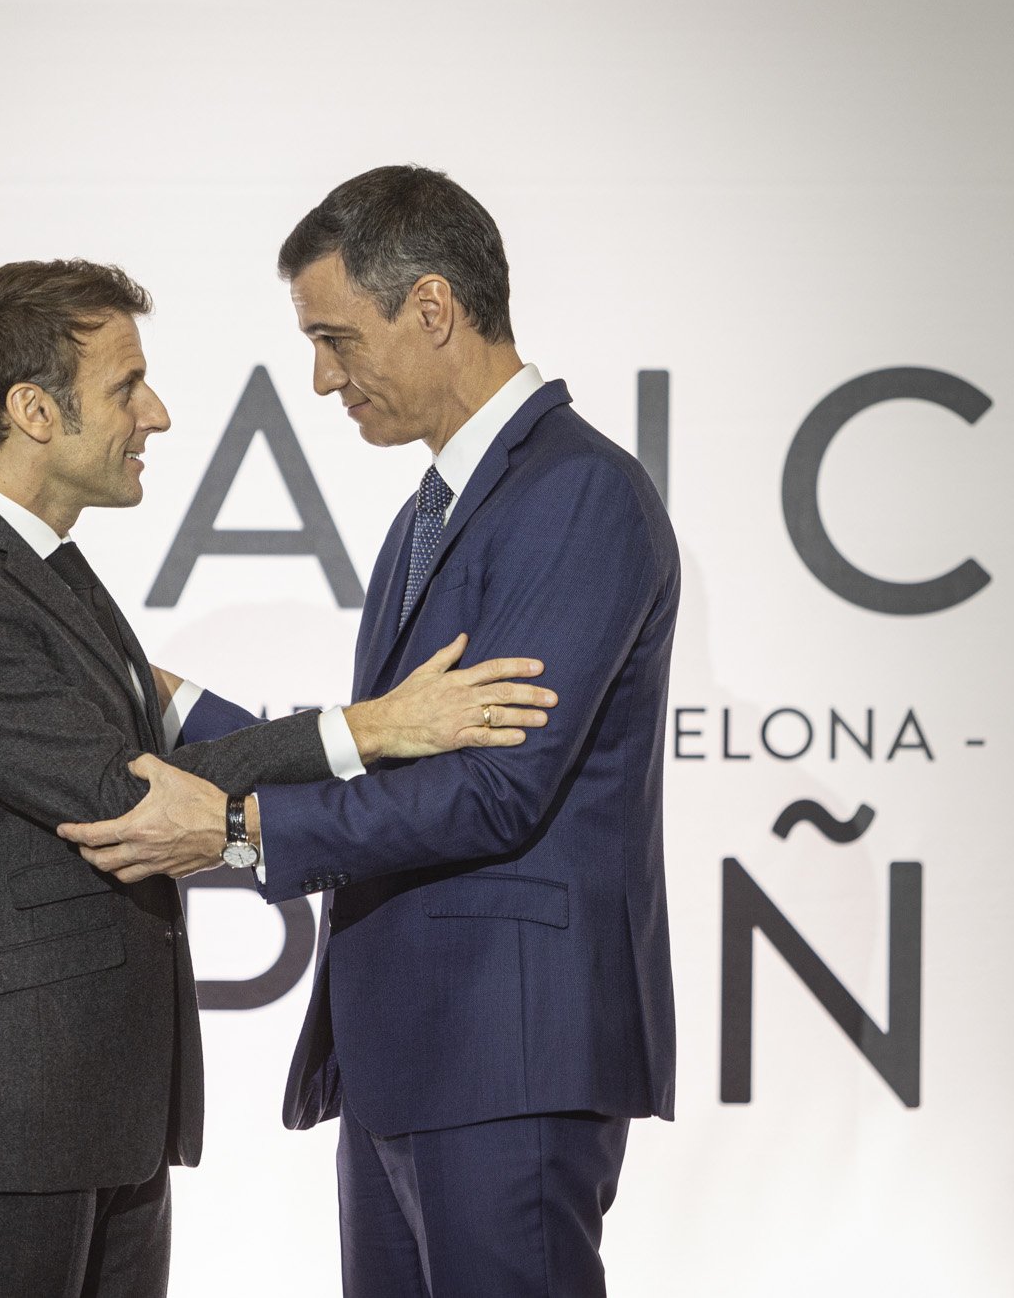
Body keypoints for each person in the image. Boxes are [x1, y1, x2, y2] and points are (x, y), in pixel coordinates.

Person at [0, 257, 555, 1297]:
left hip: (98, 1118)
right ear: (34, 410)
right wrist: (370, 728)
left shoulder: (43, 570)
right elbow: (126, 795)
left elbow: (151, 738)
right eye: (125, 387)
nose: (158, 413)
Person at [62, 166, 680, 1296]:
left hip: (509, 1053)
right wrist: (167, 701)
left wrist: (237, 832)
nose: (319, 379)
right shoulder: (425, 513)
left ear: (433, 308)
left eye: (336, 339)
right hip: (414, 1057)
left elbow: (495, 789)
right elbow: (382, 747)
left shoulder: (576, 495)